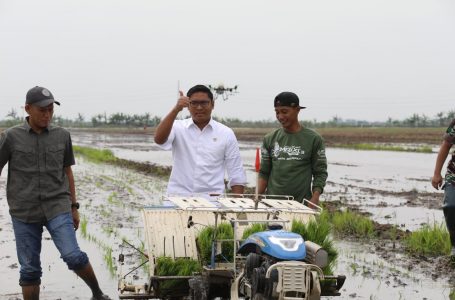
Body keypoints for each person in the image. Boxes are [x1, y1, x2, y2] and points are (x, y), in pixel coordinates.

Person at [0, 86, 111, 300]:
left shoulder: (62, 136)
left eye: (51, 109)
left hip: (57, 206)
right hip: (24, 211)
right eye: (42, 110)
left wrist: (74, 207)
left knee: (73, 256)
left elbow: (67, 171)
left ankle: (97, 293)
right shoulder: (11, 137)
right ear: (27, 109)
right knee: (30, 269)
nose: (47, 114)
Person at [154, 84, 246, 196]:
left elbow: (236, 172)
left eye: (204, 103)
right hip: (177, 198)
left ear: (212, 104)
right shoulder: (177, 127)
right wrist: (176, 110)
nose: (199, 107)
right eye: (194, 103)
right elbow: (159, 140)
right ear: (188, 105)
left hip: (212, 202)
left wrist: (237, 206)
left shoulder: (226, 133)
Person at [257, 92, 327, 208]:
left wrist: (315, 198)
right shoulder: (269, 139)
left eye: (284, 111)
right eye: (277, 112)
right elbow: (264, 172)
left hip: (301, 205)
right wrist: (256, 197)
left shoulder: (314, 139)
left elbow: (320, 172)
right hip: (272, 205)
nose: (280, 116)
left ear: (297, 110)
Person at [431, 118, 455, 257]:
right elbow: (446, 145)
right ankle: (454, 245)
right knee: (451, 206)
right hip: (454, 174)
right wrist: (436, 173)